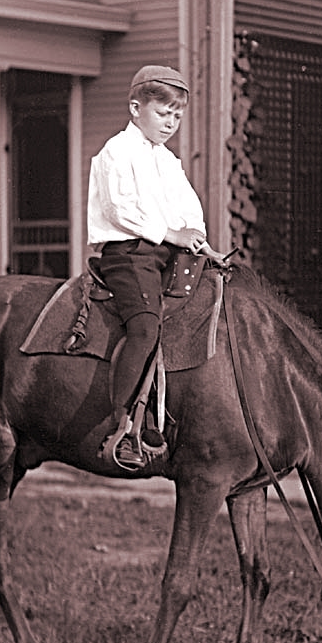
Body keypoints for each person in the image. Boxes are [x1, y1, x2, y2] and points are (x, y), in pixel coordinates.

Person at [87, 64, 224, 469]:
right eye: (163, 112)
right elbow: (119, 210)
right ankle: (123, 422)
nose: (171, 122)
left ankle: (174, 410)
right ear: (135, 108)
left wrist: (197, 236)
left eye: (177, 115)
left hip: (165, 251)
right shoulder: (116, 152)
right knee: (145, 325)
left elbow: (188, 206)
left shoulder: (167, 161)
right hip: (129, 252)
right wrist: (171, 233)